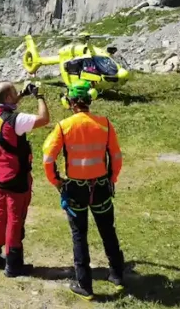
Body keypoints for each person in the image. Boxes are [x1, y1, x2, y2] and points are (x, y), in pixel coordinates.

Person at [42, 79, 125, 300]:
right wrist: (112, 179)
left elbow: (48, 158)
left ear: (68, 101)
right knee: (108, 231)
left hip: (75, 190)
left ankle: (85, 285)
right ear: (91, 100)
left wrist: (56, 181)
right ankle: (117, 275)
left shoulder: (63, 126)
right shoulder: (104, 123)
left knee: (79, 235)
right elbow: (116, 156)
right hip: (101, 187)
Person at [0, 80, 50, 276]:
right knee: (15, 218)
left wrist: (22, 93)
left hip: (0, 174)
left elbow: (9, 104)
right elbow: (44, 118)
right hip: (17, 175)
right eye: (14, 92)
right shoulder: (16, 121)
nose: (17, 95)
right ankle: (13, 263)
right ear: (7, 97)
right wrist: (39, 97)